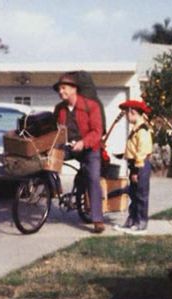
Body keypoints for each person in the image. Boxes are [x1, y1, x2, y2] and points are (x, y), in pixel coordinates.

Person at [53, 73, 105, 233]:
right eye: (59, 89)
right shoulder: (59, 109)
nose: (61, 92)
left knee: (93, 178)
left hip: (90, 148)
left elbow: (97, 131)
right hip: (69, 147)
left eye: (64, 88)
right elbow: (55, 130)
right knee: (48, 161)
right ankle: (54, 189)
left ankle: (97, 219)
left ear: (74, 89)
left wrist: (83, 143)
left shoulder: (91, 106)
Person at [114, 100, 153, 235]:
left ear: (133, 112)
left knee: (141, 196)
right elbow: (133, 148)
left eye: (127, 113)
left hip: (140, 166)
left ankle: (142, 225)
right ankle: (132, 222)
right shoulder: (136, 128)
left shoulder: (143, 130)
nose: (126, 116)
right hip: (135, 165)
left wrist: (136, 171)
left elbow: (142, 151)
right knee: (134, 196)